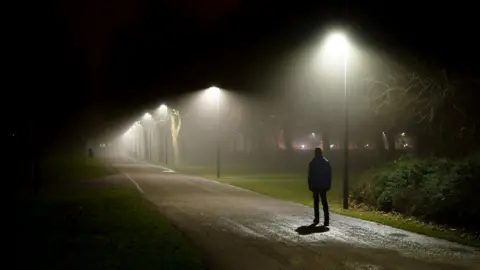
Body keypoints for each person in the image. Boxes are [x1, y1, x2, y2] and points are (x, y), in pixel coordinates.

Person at [308, 147, 332, 226]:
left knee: (316, 202)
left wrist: (310, 184)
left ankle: (317, 218)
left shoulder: (312, 162)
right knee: (324, 202)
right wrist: (328, 184)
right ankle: (326, 220)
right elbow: (329, 175)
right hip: (323, 185)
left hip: (315, 185)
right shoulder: (325, 162)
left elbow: (310, 175)